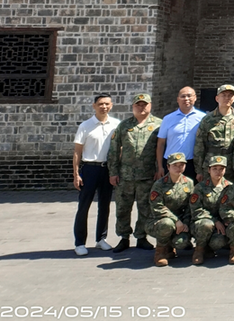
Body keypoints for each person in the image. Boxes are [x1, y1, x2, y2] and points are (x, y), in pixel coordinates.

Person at [107, 92, 160, 252]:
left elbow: (163, 149)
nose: (141, 107)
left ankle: (141, 237)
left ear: (150, 106)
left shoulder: (159, 125)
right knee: (123, 208)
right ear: (133, 107)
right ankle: (123, 237)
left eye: (145, 104)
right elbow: (114, 150)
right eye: (138, 104)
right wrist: (113, 172)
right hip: (125, 176)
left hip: (148, 175)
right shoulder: (124, 126)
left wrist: (160, 170)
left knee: (145, 208)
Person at [72, 94, 120, 255]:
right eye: (100, 104)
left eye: (107, 104)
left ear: (111, 105)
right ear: (94, 106)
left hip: (107, 169)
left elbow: (119, 149)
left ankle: (101, 239)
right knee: (84, 206)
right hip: (90, 169)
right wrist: (76, 173)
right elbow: (78, 152)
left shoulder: (116, 124)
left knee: (104, 205)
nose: (103, 107)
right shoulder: (85, 126)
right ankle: (79, 242)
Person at [147, 152, 194, 267]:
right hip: (159, 220)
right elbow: (157, 207)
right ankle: (160, 253)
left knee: (181, 243)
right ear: (168, 166)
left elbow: (190, 207)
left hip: (181, 220)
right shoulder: (159, 184)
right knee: (167, 224)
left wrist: (185, 223)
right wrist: (176, 220)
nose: (178, 168)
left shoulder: (189, 183)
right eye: (175, 165)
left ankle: (170, 245)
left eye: (181, 165)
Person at [193, 84, 234, 183]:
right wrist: (198, 170)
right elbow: (199, 145)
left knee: (229, 193)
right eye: (224, 95)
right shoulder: (207, 119)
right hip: (212, 164)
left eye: (230, 95)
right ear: (217, 98)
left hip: (231, 165)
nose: (227, 98)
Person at [156, 86, 205, 180]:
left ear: (195, 98)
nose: (186, 99)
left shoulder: (203, 118)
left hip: (192, 164)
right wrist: (160, 167)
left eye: (189, 96)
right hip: (171, 163)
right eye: (183, 96)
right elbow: (161, 143)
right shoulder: (168, 119)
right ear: (178, 99)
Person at [189, 154, 231, 264]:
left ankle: (209, 248)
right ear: (208, 170)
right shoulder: (200, 187)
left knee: (219, 242)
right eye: (214, 169)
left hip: (221, 226)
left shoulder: (230, 187)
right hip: (202, 223)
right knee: (206, 225)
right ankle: (199, 250)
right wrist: (214, 220)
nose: (218, 171)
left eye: (221, 169)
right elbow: (196, 209)